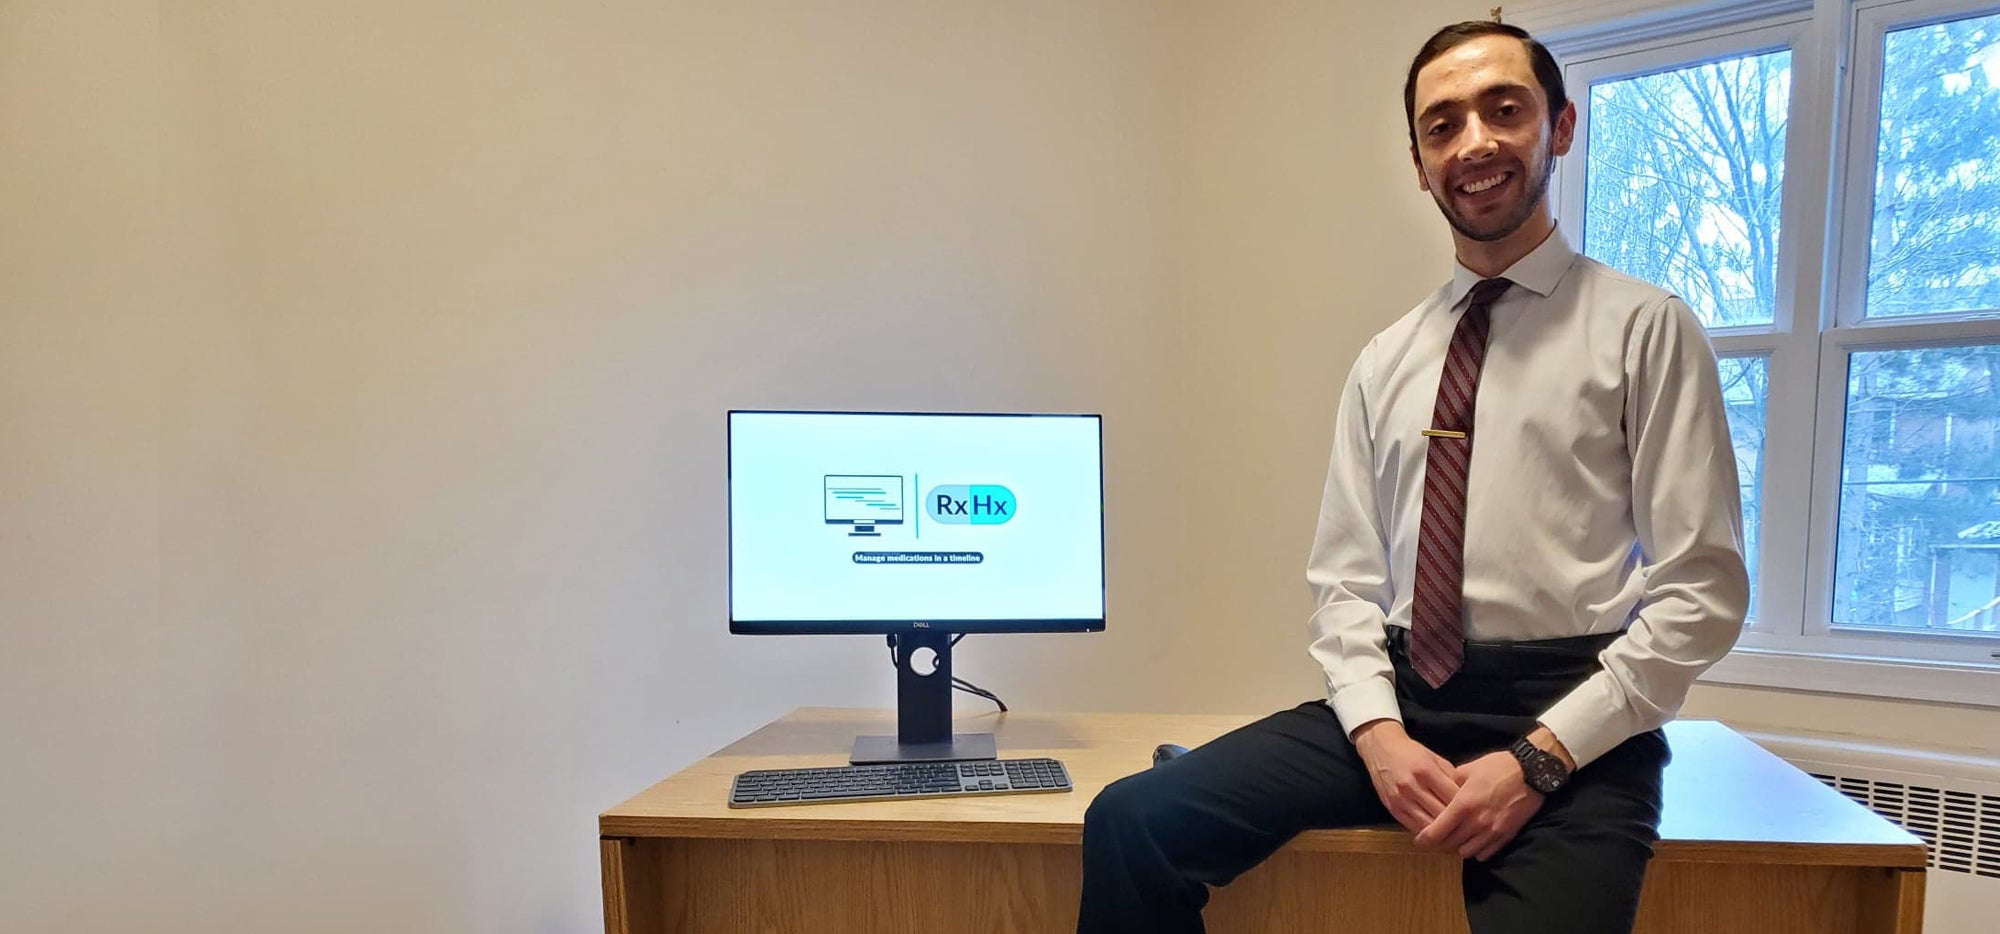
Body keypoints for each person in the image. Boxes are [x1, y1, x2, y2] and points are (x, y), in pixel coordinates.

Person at [1076, 20, 1750, 934]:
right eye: (1443, 126)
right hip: (1405, 699)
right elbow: (1347, 584)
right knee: (1133, 822)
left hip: (1574, 718)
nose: (1474, 143)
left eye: (1503, 111)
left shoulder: (1646, 329)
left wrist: (1539, 761)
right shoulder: (1387, 358)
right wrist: (1380, 736)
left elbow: (1700, 593)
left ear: (1560, 127)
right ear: (1419, 161)